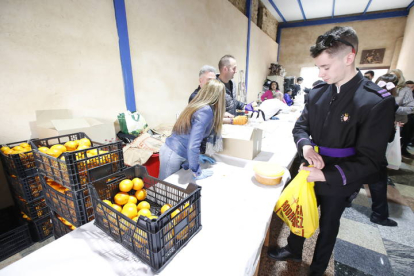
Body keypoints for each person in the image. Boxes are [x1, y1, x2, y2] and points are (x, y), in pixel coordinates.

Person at [267, 26, 395, 276]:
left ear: (349, 58)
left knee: (328, 225)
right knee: (301, 210)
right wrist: (305, 147)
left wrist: (328, 176)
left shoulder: (374, 100)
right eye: (318, 67)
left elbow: (371, 159)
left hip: (341, 174)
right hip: (311, 166)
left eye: (326, 67)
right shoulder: (318, 92)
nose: (320, 73)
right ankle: (294, 249)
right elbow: (301, 126)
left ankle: (317, 267)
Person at [159, 79, 225, 180]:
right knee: (166, 190)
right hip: (173, 153)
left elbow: (188, 134)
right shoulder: (206, 110)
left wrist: (195, 157)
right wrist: (196, 171)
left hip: (175, 151)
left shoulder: (198, 106)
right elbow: (193, 144)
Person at [364, 74, 400, 227]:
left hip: (358, 145)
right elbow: (389, 135)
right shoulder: (389, 102)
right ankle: (379, 215)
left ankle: (345, 200)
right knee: (378, 182)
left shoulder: (366, 97)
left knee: (354, 173)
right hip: (375, 149)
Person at [389, 69, 414, 158]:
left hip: (397, 122)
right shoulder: (385, 86)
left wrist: (395, 108)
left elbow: (411, 108)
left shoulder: (405, 90)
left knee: (393, 146)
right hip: (382, 121)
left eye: (395, 77)